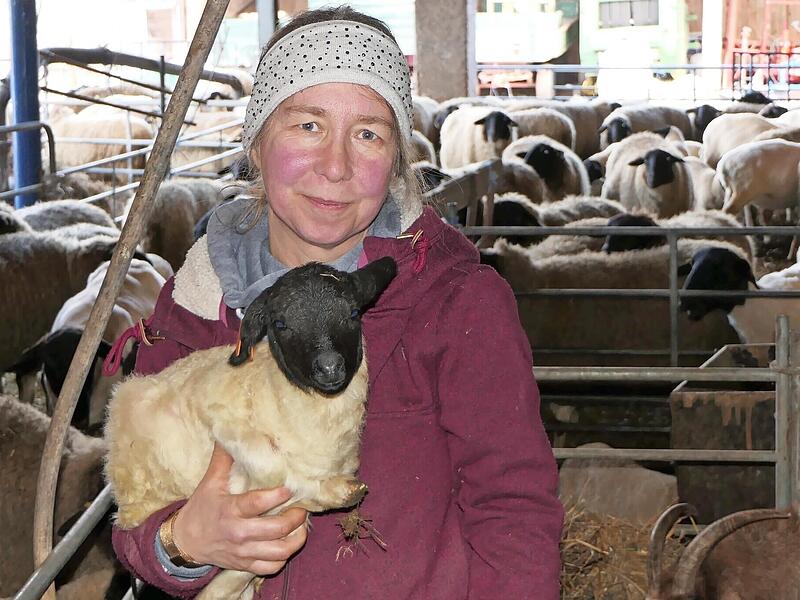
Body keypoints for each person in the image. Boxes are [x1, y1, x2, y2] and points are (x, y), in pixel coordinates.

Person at [109, 6, 563, 599]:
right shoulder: (196, 302)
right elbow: (136, 500)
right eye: (307, 125)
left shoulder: (457, 304)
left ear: (398, 158)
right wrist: (180, 544)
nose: (336, 166)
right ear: (257, 141)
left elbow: (514, 512)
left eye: (369, 134)